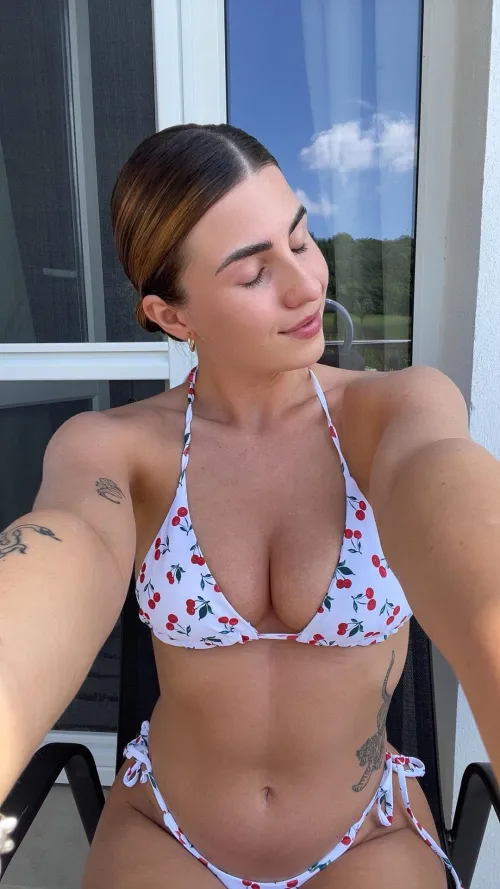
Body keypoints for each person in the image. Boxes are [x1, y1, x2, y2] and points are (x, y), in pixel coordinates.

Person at [4, 121, 499, 889]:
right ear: (174, 316)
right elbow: (59, 554)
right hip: (167, 829)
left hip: (366, 833)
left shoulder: (395, 414)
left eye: (300, 240)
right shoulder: (115, 448)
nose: (306, 285)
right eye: (252, 272)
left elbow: (474, 555)